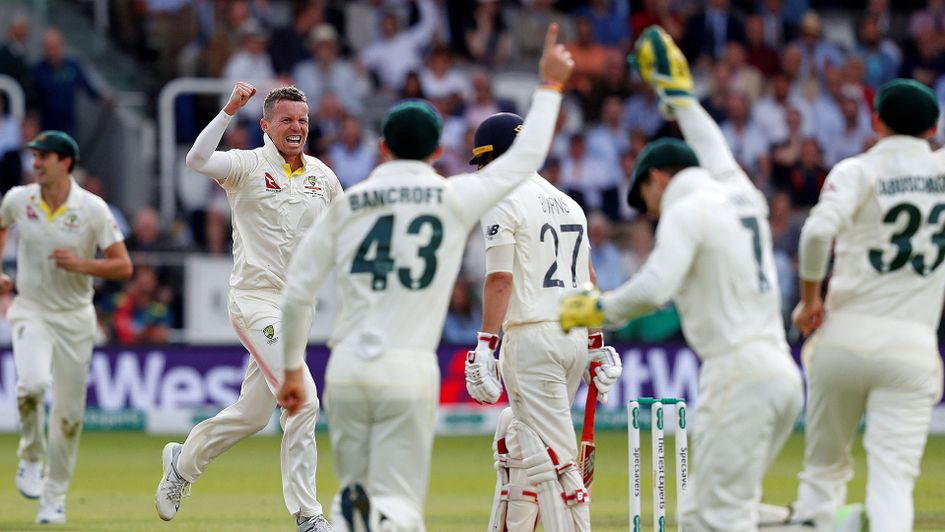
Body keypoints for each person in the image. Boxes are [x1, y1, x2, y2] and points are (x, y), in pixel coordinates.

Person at [276, 25, 573, 532]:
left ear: (384, 147)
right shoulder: (453, 196)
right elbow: (526, 158)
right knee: (399, 505)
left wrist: (288, 372)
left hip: (347, 368)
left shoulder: (348, 202)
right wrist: (548, 87)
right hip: (409, 371)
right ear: (438, 151)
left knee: (357, 495)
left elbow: (298, 293)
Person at [559, 26, 803, 531]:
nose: (650, 211)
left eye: (645, 197)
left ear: (659, 178)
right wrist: (681, 97)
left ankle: (827, 525)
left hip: (737, 375)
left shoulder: (687, 207)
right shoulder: (741, 193)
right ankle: (820, 523)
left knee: (704, 521)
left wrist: (597, 308)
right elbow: (714, 147)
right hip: (780, 375)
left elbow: (655, 287)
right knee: (723, 512)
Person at [154, 82, 343, 532]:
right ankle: (308, 515)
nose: (296, 128)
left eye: (302, 120)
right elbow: (196, 159)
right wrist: (226, 111)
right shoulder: (247, 165)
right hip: (255, 302)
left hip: (298, 312)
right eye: (287, 120)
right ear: (265, 126)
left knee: (254, 414)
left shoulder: (323, 176)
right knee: (303, 399)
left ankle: (183, 463)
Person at [784, 79, 945, 532]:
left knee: (822, 474)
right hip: (912, 348)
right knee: (893, 483)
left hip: (844, 338)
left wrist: (809, 302)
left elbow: (816, 234)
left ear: (875, 121)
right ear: (933, 127)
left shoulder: (858, 170)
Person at [464, 111, 622, 531]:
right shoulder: (568, 202)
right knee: (515, 435)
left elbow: (500, 277)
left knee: (557, 463)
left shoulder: (503, 198)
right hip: (570, 339)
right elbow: (589, 280)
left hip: (532, 340)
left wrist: (484, 343)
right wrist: (595, 344)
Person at [0, 130, 132, 524]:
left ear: (66, 163)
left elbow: (123, 265)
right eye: (35, 157)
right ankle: (31, 456)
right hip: (31, 310)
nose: (36, 163)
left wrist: (83, 265)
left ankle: (54, 497)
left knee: (70, 415)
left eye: (44, 157)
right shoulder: (17, 199)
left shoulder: (91, 208)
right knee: (32, 386)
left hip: (75, 318)